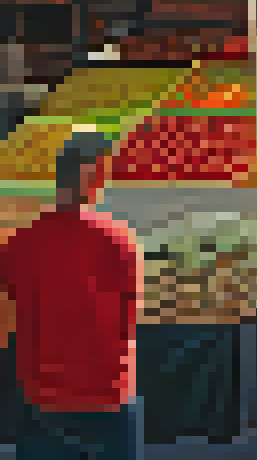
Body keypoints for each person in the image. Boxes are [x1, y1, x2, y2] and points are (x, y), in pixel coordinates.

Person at [0, 131, 143, 460]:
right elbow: (129, 318)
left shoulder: (20, 244)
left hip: (44, 400)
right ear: (90, 176)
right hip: (109, 397)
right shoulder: (121, 240)